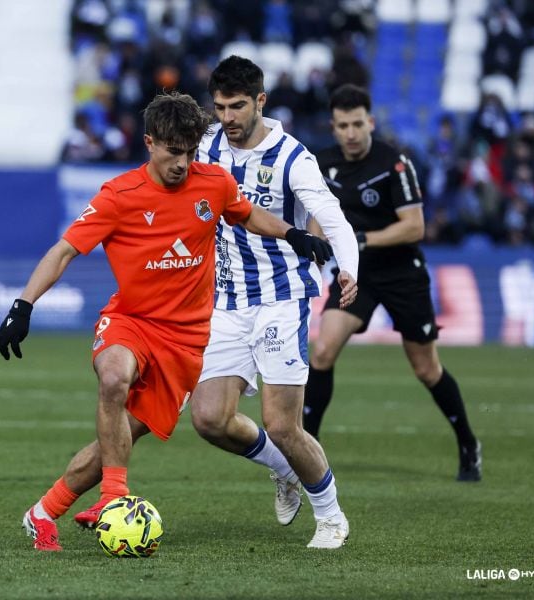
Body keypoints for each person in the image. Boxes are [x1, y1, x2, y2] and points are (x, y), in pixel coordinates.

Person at [0, 92, 334, 552]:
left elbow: (247, 214)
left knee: (118, 438)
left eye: (191, 152)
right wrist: (23, 305)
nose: (183, 162)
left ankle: (42, 513)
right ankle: (115, 499)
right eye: (174, 152)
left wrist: (292, 233)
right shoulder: (119, 196)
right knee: (113, 377)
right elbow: (64, 251)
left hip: (185, 341)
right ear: (150, 143)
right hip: (130, 321)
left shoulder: (211, 184)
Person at [190, 56, 358, 549]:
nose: (228, 118)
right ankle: (283, 470)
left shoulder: (292, 157)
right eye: (219, 107)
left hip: (282, 298)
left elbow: (332, 215)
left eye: (237, 106)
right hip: (227, 301)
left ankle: (331, 517)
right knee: (208, 420)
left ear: (260, 101)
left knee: (283, 423)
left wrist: (349, 268)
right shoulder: (206, 146)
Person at [302, 84, 482, 482]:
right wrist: (316, 243)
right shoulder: (321, 163)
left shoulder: (394, 162)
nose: (350, 133)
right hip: (358, 276)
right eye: (342, 125)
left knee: (425, 368)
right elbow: (317, 213)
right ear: (333, 127)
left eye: (356, 124)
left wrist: (361, 239)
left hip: (403, 274)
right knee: (323, 351)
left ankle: (468, 442)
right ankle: (305, 452)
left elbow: (414, 226)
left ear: (370, 122)